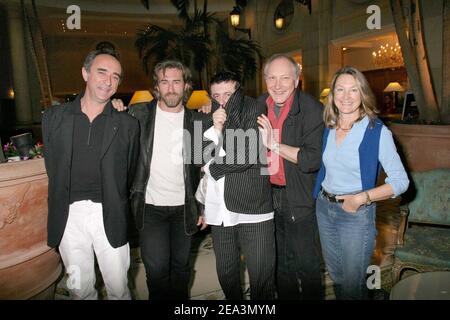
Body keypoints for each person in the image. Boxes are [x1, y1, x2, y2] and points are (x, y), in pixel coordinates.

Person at [41, 48, 140, 299]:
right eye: (102, 72)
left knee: (119, 288)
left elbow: (130, 171)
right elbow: (52, 165)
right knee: (79, 289)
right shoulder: (53, 118)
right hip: (68, 216)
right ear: (85, 73)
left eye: (116, 76)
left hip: (109, 213)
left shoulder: (127, 124)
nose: (108, 81)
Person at [312, 66, 409, 299]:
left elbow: (400, 181)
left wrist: (360, 199)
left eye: (353, 90)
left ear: (362, 94)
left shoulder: (377, 131)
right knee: (336, 275)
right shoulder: (330, 126)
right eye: (340, 90)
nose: (346, 96)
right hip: (325, 209)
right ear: (332, 95)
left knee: (353, 283)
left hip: (356, 214)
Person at [126, 60, 204, 300]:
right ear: (156, 87)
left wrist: (202, 206)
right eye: (164, 82)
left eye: (176, 82)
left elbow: (203, 170)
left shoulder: (197, 122)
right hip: (150, 208)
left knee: (181, 269)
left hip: (184, 208)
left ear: (186, 86)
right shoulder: (137, 115)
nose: (171, 88)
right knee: (157, 270)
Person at [200, 71, 275, 300]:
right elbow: (198, 155)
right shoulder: (207, 114)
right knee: (226, 272)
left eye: (227, 94)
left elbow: (248, 153)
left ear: (238, 92)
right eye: (216, 95)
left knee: (261, 276)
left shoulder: (254, 107)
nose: (222, 100)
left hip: (253, 207)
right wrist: (215, 128)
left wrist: (213, 168)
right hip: (219, 209)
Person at [257, 54, 325, 299]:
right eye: (272, 78)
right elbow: (226, 114)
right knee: (279, 264)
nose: (278, 85)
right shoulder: (256, 106)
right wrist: (209, 108)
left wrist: (274, 145)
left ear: (296, 81)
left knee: (306, 264)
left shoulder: (312, 109)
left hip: (299, 196)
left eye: (285, 78)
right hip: (266, 197)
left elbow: (311, 160)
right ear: (265, 80)